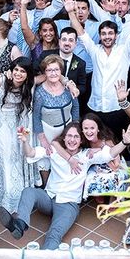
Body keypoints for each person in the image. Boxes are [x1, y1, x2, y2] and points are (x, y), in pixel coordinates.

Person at [0, 122, 130, 250]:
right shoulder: (54, 151)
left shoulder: (86, 156)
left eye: (76, 137)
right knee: (29, 191)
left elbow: (109, 154)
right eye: (69, 136)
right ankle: (20, 225)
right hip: (48, 198)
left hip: (68, 205)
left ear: (81, 140)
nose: (72, 140)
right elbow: (31, 153)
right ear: (63, 138)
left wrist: (124, 142)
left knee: (54, 234)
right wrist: (25, 142)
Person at [66, 0, 130, 139]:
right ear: (100, 36)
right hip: (95, 106)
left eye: (110, 33)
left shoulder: (124, 51)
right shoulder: (95, 50)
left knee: (116, 143)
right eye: (103, 34)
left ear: (116, 36)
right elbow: (81, 33)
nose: (107, 36)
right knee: (94, 142)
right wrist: (71, 12)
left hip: (117, 107)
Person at [0, 57, 36, 212]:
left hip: (12, 121)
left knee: (11, 154)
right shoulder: (3, 79)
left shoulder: (28, 86)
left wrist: (66, 81)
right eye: (16, 69)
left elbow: (45, 75)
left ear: (27, 74)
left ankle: (11, 195)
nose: (18, 73)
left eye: (22, 71)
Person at [33, 55, 79, 183]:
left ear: (61, 71)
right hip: (48, 130)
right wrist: (43, 139)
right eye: (49, 70)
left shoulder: (68, 88)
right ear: (45, 73)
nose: (53, 73)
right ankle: (47, 186)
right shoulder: (39, 93)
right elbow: (36, 116)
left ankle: (65, 183)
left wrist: (75, 128)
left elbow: (75, 108)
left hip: (67, 128)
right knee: (46, 159)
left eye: (56, 70)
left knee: (66, 157)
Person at [19, 0, 59, 67]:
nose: (48, 33)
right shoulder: (35, 43)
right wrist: (23, 5)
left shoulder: (59, 44)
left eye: (51, 30)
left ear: (55, 31)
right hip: (37, 78)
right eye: (44, 30)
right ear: (40, 32)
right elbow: (24, 28)